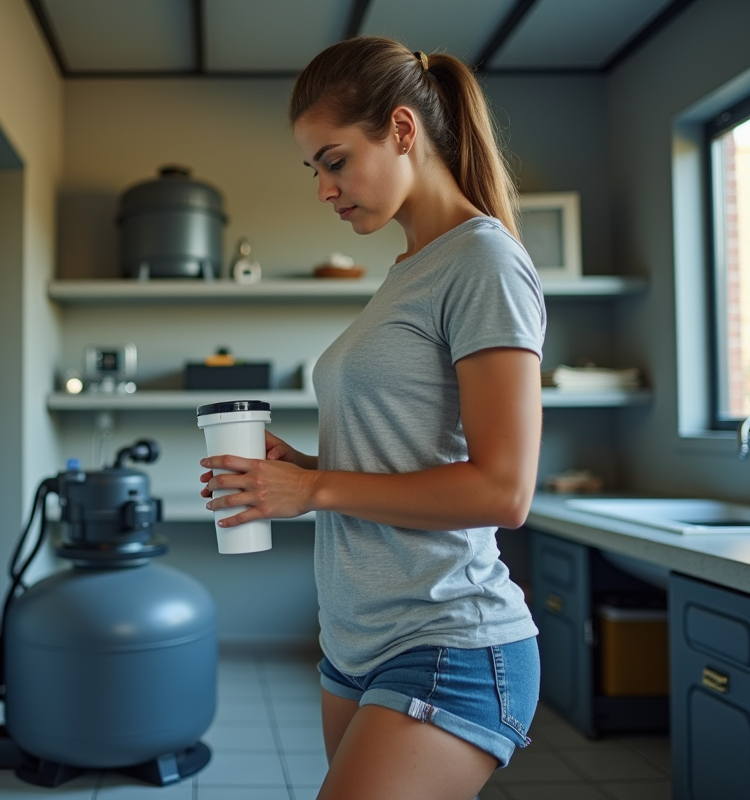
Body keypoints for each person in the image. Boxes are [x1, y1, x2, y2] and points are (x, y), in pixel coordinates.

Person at [199, 36, 545, 800]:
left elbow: (504, 490)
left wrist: (313, 492)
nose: (324, 189)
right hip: (356, 642)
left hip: (448, 639)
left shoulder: (482, 262)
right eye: (314, 170)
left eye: (334, 161)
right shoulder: (408, 271)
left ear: (401, 130)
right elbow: (404, 457)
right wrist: (301, 470)